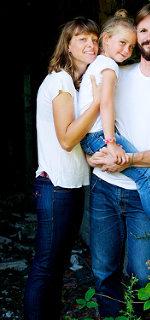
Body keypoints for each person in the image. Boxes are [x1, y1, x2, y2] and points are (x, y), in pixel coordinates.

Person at [86, 3, 150, 317]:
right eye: (143, 31)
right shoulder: (116, 73)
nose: (149, 37)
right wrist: (93, 158)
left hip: (145, 197)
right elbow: (90, 118)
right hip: (104, 189)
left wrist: (130, 159)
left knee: (146, 277)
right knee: (103, 272)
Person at [25, 17, 103, 320]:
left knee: (55, 266)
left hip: (67, 187)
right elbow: (67, 138)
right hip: (55, 187)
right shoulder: (60, 80)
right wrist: (97, 103)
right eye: (82, 39)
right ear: (67, 47)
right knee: (45, 267)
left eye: (94, 39)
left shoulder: (72, 84)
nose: (91, 44)